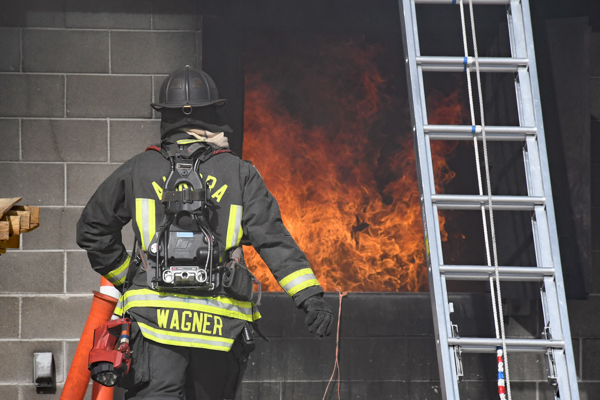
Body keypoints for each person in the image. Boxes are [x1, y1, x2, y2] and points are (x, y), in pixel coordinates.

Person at [76, 65, 334, 400]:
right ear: (213, 114)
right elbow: (272, 239)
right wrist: (310, 298)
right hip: (219, 331)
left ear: (165, 116)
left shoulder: (138, 169)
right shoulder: (240, 173)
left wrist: (129, 276)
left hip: (153, 325)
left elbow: (92, 230)